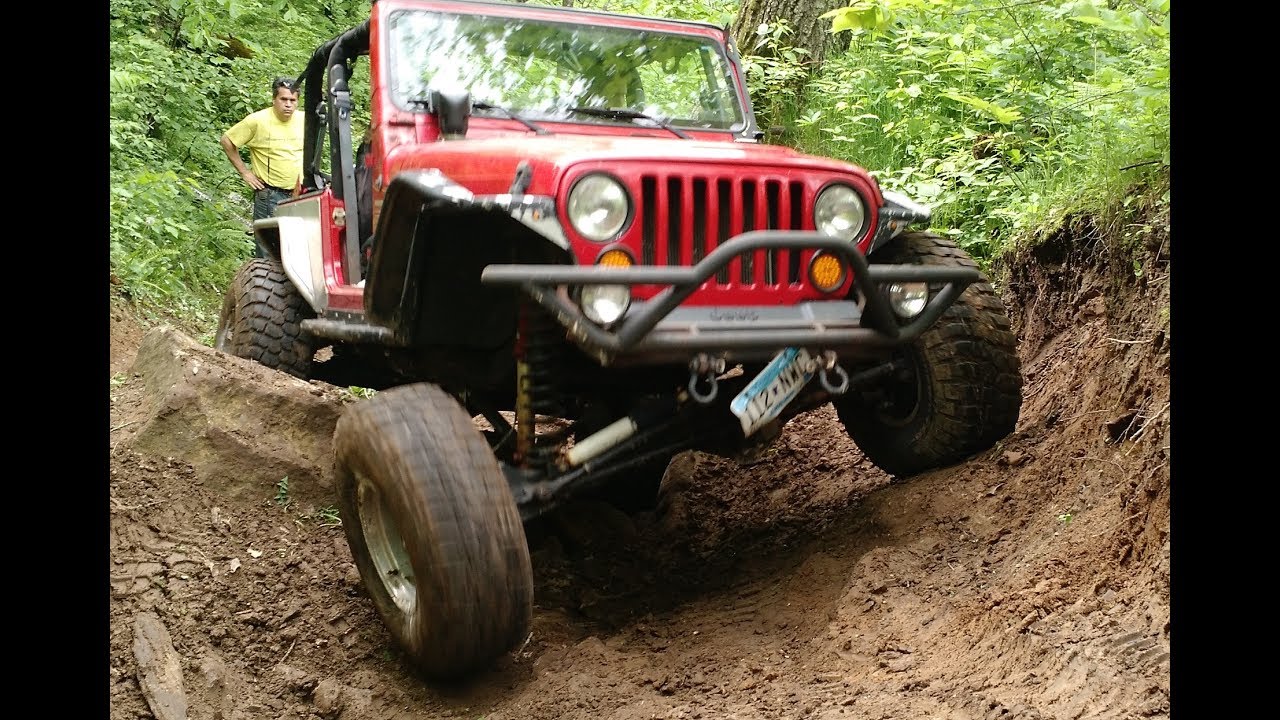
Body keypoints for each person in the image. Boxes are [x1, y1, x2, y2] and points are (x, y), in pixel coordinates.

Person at [220, 76, 305, 257]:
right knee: (268, 249)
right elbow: (227, 141)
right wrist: (245, 173)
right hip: (270, 194)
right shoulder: (257, 121)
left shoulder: (303, 120)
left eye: (292, 100)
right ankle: (263, 283)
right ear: (274, 99)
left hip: (299, 194)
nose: (288, 104)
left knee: (294, 247)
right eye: (283, 99)